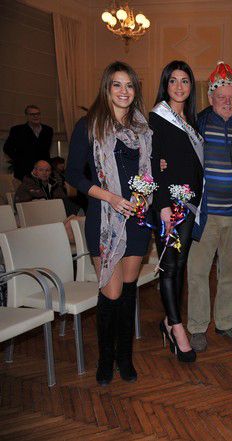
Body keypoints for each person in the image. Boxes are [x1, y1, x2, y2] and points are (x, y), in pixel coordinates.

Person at [66, 61, 153, 386]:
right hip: (104, 219)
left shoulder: (143, 130)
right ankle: (105, 360)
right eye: (117, 84)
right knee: (111, 293)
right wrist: (111, 198)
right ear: (107, 88)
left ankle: (124, 358)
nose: (124, 91)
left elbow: (146, 175)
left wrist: (144, 196)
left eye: (129, 85)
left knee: (128, 292)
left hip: (137, 221)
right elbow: (73, 175)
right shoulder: (88, 126)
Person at [186, 62, 232, 352]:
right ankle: (197, 327)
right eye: (221, 97)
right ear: (210, 98)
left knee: (231, 272)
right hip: (204, 215)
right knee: (197, 272)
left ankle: (226, 322)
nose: (227, 102)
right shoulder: (196, 125)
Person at [149, 60, 203, 363]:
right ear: (165, 84)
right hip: (168, 206)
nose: (179, 86)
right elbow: (153, 164)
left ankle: (169, 320)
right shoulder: (157, 118)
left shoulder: (191, 121)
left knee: (179, 264)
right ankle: (177, 327)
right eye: (173, 80)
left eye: (185, 81)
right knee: (169, 265)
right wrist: (162, 206)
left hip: (189, 204)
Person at [4, 105, 53, 181]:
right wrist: (19, 160)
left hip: (43, 171)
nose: (36, 116)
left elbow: (46, 151)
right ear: (26, 116)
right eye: (32, 114)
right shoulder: (17, 130)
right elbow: (7, 148)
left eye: (38, 114)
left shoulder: (48, 130)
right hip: (24, 171)